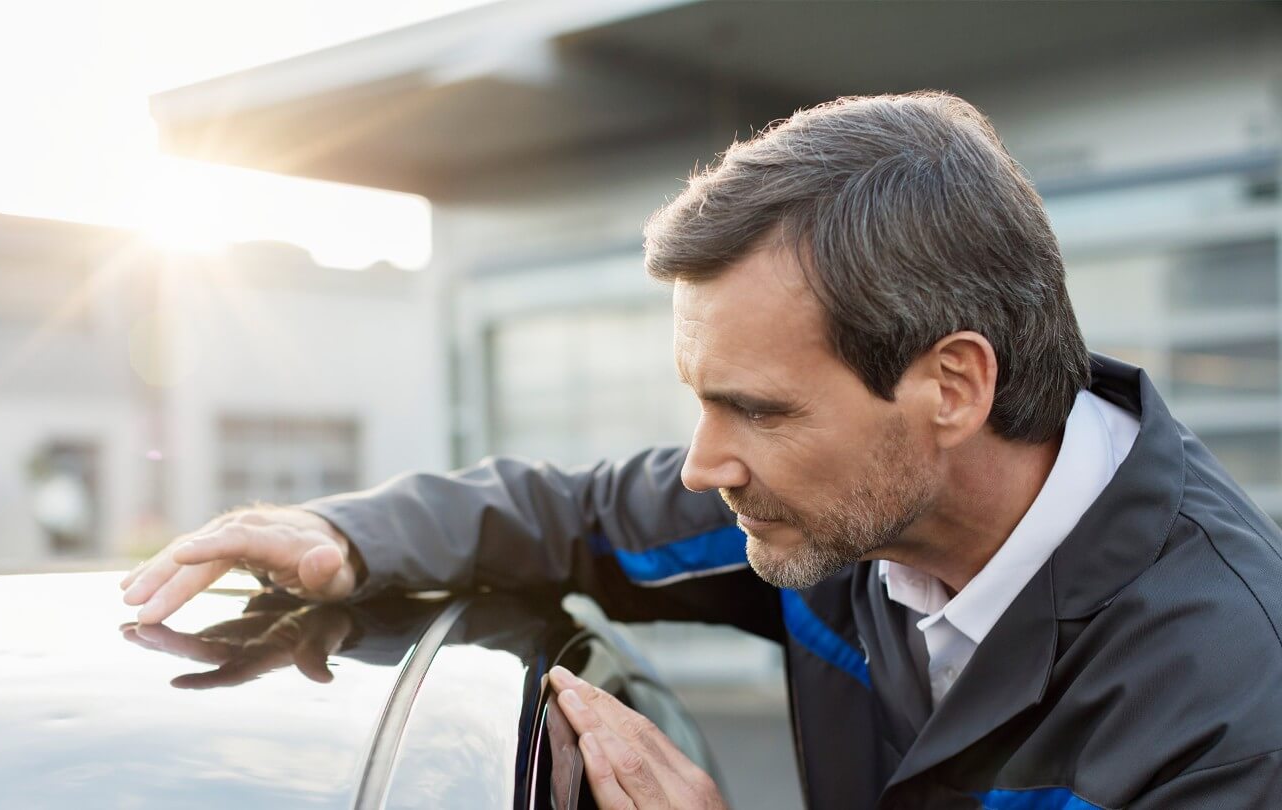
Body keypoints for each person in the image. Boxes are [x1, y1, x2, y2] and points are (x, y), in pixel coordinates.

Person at [121, 92, 1282, 808]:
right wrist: (344, 535)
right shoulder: (844, 512)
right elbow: (574, 517)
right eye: (702, 402)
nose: (703, 466)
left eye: (761, 410)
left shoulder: (1230, 711)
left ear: (952, 384)